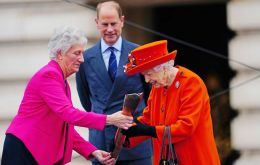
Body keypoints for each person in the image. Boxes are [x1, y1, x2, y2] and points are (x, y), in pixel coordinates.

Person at [1, 26, 134, 165]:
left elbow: (65, 125)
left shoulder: (60, 78)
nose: (82, 59)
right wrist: (110, 119)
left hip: (35, 150)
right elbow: (69, 114)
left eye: (82, 53)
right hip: (25, 149)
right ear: (60, 54)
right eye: (77, 53)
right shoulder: (49, 75)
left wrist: (92, 151)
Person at [76, 1, 152, 164]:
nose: (109, 29)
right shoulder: (85, 58)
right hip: (101, 146)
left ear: (122, 21)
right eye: (104, 24)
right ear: (97, 23)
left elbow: (150, 94)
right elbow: (86, 100)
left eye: (113, 23)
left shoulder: (139, 53)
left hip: (135, 143)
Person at [122, 40, 221, 165]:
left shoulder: (191, 83)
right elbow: (148, 120)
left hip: (194, 159)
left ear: (163, 67)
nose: (146, 80)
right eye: (143, 75)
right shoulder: (158, 87)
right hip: (167, 160)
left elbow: (186, 127)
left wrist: (149, 130)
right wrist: (126, 135)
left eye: (149, 74)